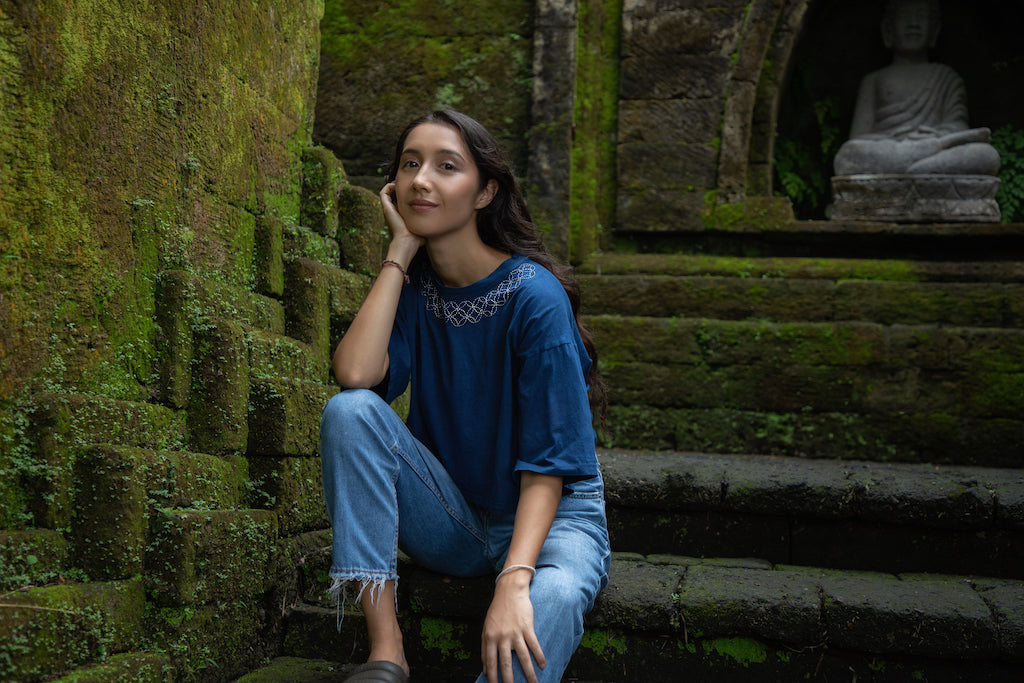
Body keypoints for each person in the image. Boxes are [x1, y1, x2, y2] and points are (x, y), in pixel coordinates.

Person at [319, 109, 611, 683]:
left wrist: (514, 579)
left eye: (446, 167)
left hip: (554, 520)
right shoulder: (414, 286)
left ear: (485, 192)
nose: (420, 180)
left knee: (551, 598)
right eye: (409, 165)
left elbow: (552, 461)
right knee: (349, 413)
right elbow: (355, 376)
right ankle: (386, 653)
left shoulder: (535, 297)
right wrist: (399, 254)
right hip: (454, 514)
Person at [832, 0, 1000, 177]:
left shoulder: (947, 76)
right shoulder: (874, 80)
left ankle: (918, 168)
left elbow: (958, 127)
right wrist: (898, 143)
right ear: (888, 30)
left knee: (986, 155)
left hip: (934, 145)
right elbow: (858, 137)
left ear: (934, 30)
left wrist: (937, 135)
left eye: (920, 16)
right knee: (848, 155)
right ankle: (925, 168)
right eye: (905, 17)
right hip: (891, 149)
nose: (913, 23)